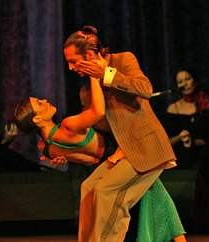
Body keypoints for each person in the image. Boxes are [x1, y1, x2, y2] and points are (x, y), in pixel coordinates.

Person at [14, 93, 186, 241]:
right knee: (149, 193)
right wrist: (96, 76)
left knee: (155, 194)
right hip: (118, 154)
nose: (44, 100)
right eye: (39, 103)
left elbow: (87, 159)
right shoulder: (67, 126)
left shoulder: (46, 146)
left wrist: (67, 157)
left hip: (107, 158)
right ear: (37, 119)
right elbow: (98, 111)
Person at [61, 25, 177, 242]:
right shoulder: (86, 91)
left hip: (146, 147)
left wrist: (106, 74)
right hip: (122, 152)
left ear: (88, 55)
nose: (70, 67)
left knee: (107, 192)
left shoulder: (122, 60)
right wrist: (68, 151)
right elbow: (96, 132)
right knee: (89, 187)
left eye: (73, 61)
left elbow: (145, 89)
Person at [164, 68, 209, 169]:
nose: (185, 84)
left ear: (195, 80)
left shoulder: (205, 103)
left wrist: (193, 141)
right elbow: (166, 143)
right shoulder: (173, 109)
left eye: (187, 79)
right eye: (180, 81)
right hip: (181, 162)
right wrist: (180, 137)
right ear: (177, 86)